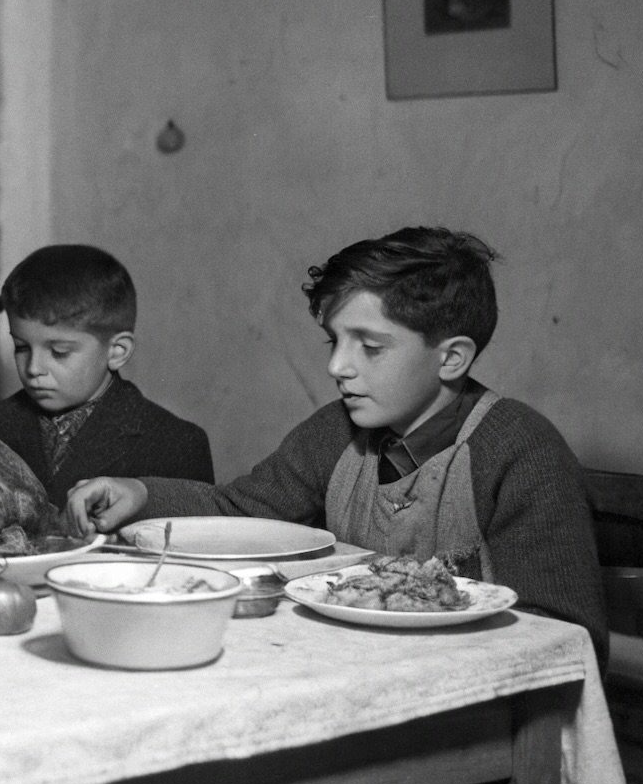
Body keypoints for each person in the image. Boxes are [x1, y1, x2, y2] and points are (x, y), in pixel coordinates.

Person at [65, 226, 607, 654]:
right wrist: (141, 494)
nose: (336, 366)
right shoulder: (337, 432)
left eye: (369, 347)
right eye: (334, 341)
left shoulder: (518, 450)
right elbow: (243, 511)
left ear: (451, 358)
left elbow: (563, 635)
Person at [0, 245, 214, 508]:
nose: (33, 368)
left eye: (59, 351)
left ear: (117, 351)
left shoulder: (178, 445)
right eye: (21, 347)